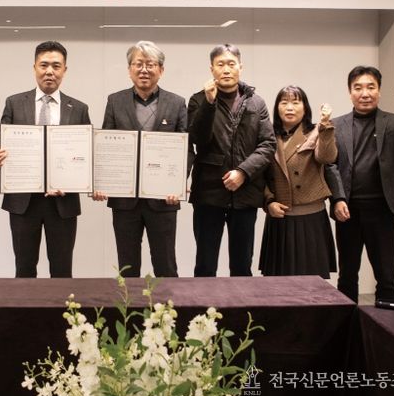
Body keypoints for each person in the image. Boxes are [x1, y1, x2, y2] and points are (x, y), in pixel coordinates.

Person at [0, 41, 91, 278]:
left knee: (62, 271)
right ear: (34, 67)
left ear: (64, 70)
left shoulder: (78, 108)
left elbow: (85, 155)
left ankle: (63, 306)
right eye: (44, 65)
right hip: (23, 201)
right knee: (24, 270)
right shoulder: (14, 103)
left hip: (63, 202)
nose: (49, 71)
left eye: (56, 66)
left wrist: (72, 180)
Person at [328, 66, 394, 303]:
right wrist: (337, 198)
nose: (365, 93)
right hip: (347, 210)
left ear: (379, 91)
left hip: (382, 209)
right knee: (347, 275)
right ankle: (347, 324)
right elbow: (330, 165)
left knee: (386, 276)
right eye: (358, 88)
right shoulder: (337, 125)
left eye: (371, 87)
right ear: (350, 92)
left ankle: (385, 324)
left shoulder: (392, 121)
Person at [92, 40, 187, 278]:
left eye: (150, 64)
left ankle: (167, 304)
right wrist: (101, 182)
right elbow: (105, 146)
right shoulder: (115, 101)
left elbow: (186, 149)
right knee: (127, 266)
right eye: (138, 64)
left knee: (166, 265)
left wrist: (178, 183)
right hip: (125, 201)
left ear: (161, 70)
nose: (144, 70)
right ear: (129, 69)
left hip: (163, 199)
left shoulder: (177, 103)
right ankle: (129, 305)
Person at [188, 44, 276, 277]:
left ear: (240, 67)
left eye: (231, 64)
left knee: (242, 265)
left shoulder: (256, 102)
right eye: (220, 64)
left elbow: (268, 144)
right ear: (212, 69)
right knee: (205, 264)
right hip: (209, 193)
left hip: (245, 193)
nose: (226, 69)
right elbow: (197, 138)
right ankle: (204, 302)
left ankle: (242, 303)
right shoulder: (198, 100)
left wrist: (243, 172)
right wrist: (209, 104)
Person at [259, 86, 337, 278]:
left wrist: (325, 127)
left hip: (310, 219)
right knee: (278, 282)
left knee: (311, 284)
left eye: (295, 102)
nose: (289, 107)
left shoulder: (316, 131)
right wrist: (268, 202)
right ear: (277, 107)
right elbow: (259, 175)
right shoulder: (267, 136)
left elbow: (326, 157)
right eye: (284, 102)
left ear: (305, 107)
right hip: (279, 218)